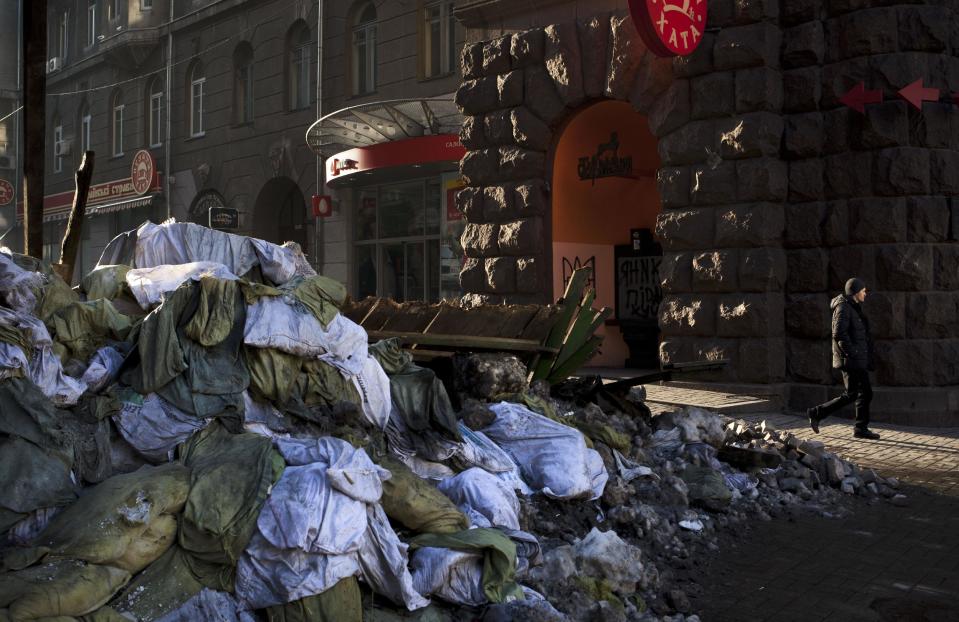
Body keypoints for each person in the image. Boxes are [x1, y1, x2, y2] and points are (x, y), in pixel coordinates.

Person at [806, 277, 880, 440]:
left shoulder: (853, 307)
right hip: (851, 360)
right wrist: (852, 353)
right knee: (864, 392)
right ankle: (860, 428)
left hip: (855, 359)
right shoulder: (844, 308)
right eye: (863, 291)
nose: (865, 294)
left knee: (853, 394)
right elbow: (839, 333)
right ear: (855, 292)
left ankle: (817, 413)